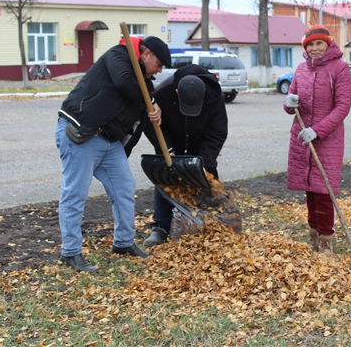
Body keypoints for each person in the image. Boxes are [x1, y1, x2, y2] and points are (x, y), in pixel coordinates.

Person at [55, 36, 171, 271]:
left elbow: (144, 125)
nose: (160, 70)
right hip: (81, 132)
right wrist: (150, 99)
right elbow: (123, 82)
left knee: (125, 188)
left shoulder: (146, 85)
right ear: (146, 54)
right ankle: (70, 252)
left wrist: (166, 148)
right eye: (159, 63)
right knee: (75, 193)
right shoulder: (118, 55)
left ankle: (124, 242)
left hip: (109, 141)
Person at [283, 24, 351, 255]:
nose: (314, 48)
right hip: (302, 136)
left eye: (318, 43)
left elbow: (343, 107)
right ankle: (313, 236)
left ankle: (325, 242)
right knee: (310, 189)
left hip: (327, 138)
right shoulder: (301, 69)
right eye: (310, 44)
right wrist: (289, 103)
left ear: (328, 43)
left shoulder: (340, 69)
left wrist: (318, 130)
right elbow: (290, 102)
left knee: (323, 190)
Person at [143, 64, 228, 246]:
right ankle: (160, 227)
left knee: (207, 180)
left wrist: (203, 164)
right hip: (173, 142)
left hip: (201, 144)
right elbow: (153, 124)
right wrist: (167, 149)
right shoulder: (164, 92)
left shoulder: (215, 96)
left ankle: (210, 225)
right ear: (177, 92)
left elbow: (218, 132)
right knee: (165, 178)